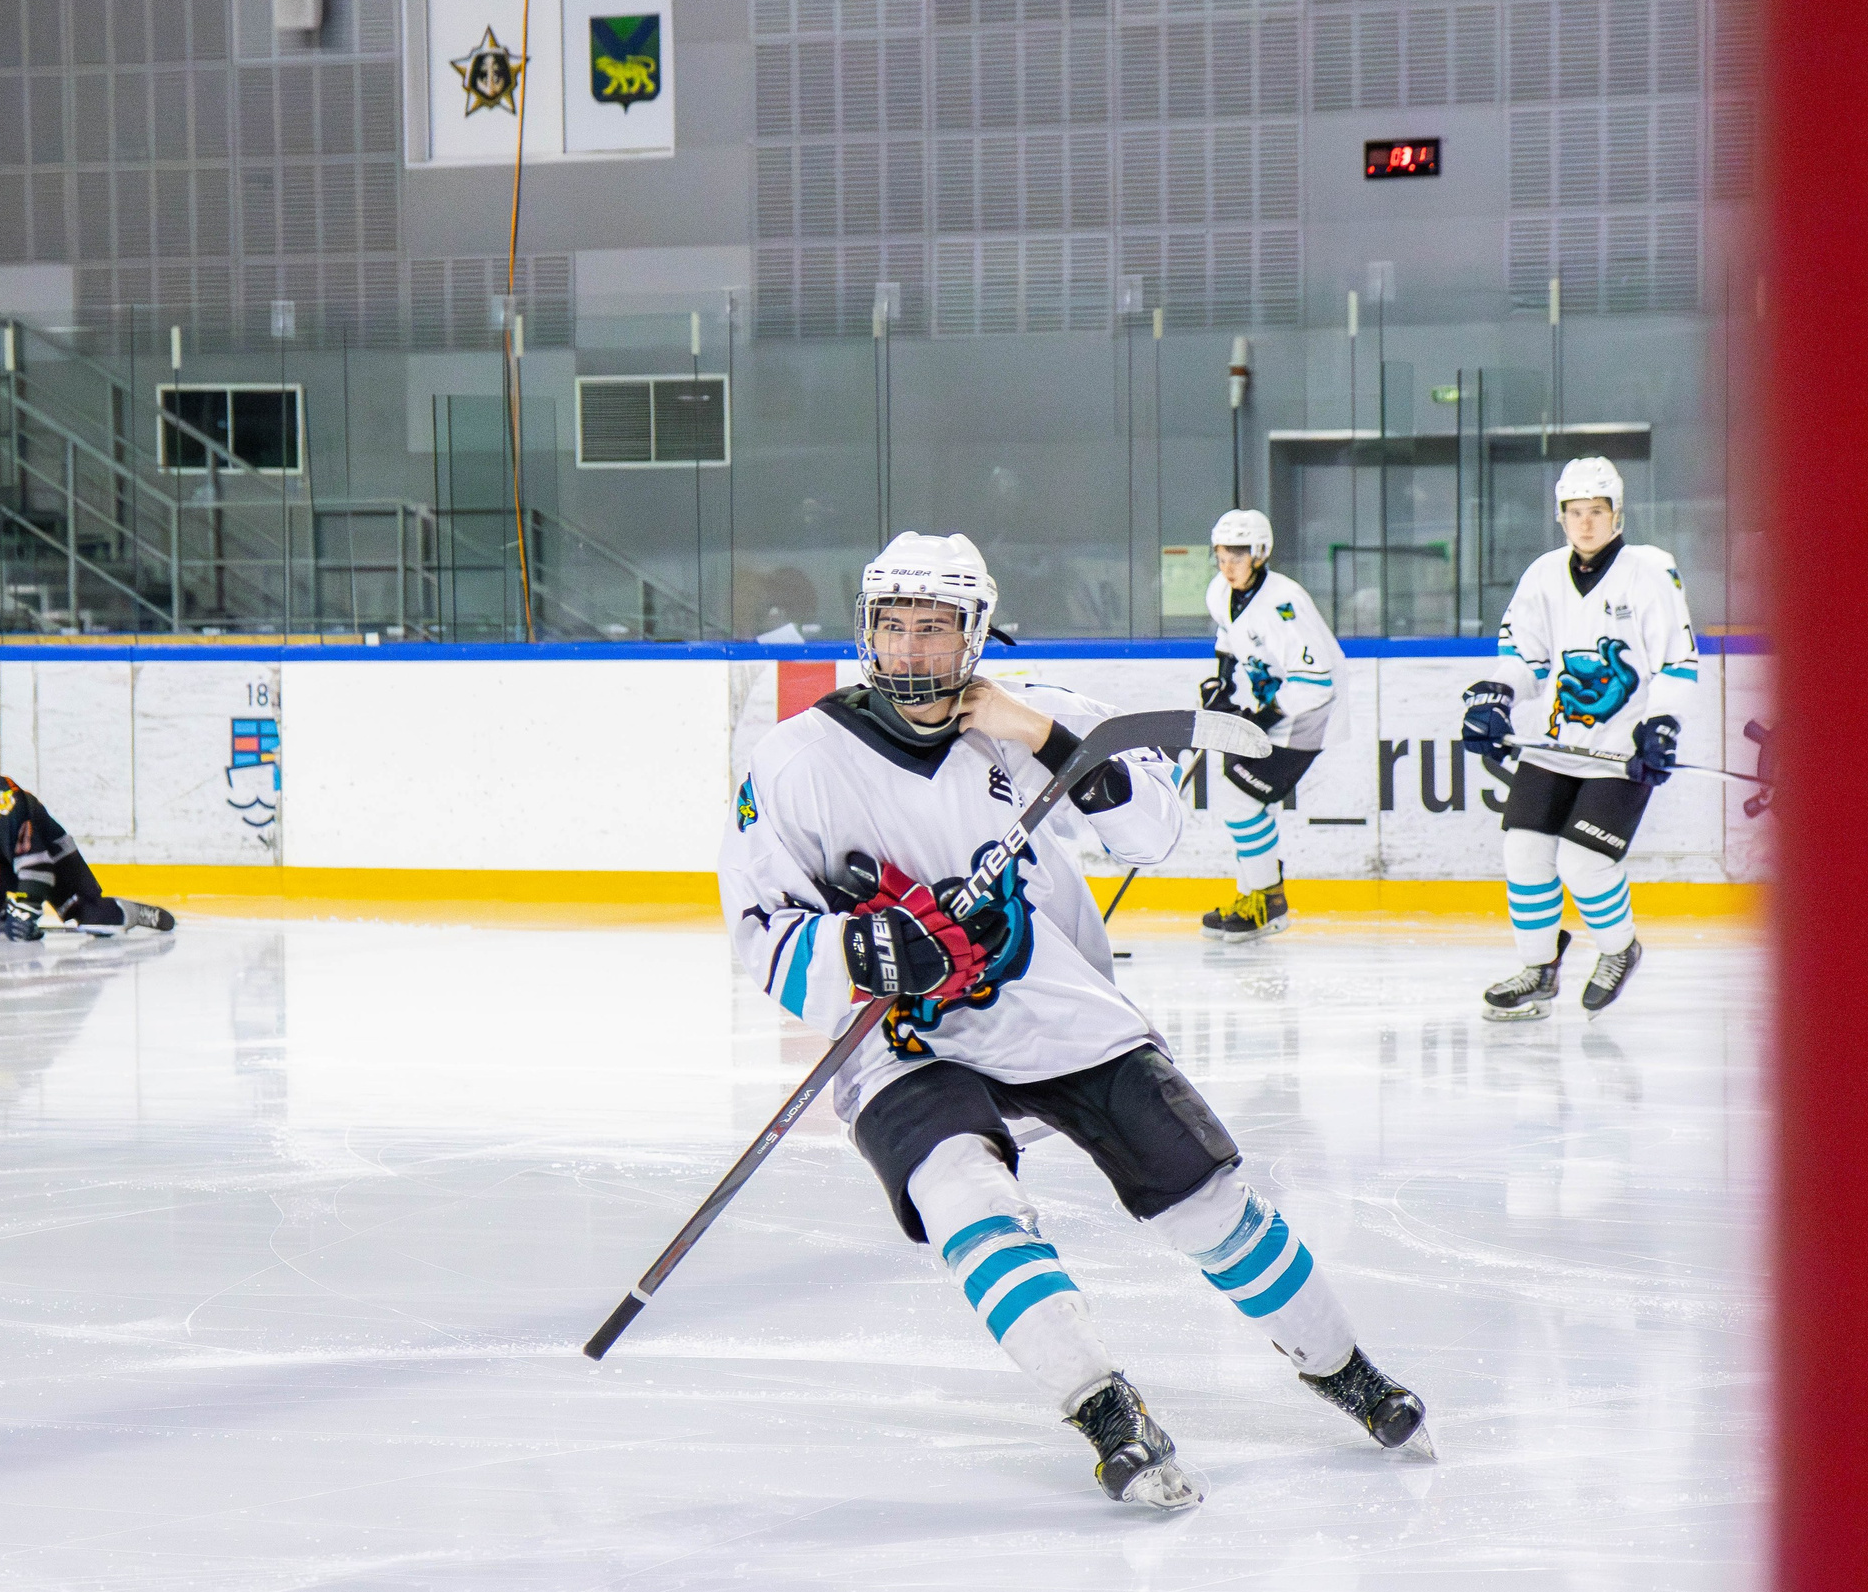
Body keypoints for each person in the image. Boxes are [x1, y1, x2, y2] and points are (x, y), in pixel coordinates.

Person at [721, 530, 1429, 1512]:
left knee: (1209, 1201)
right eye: (893, 626)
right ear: (866, 632)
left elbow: (1153, 831)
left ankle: (1342, 1367)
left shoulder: (1039, 715)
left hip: (1057, 1010)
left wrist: (1041, 738)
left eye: (936, 627)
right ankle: (1107, 1414)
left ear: (975, 632)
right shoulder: (796, 760)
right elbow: (760, 930)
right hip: (904, 1042)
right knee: (964, 1194)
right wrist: (863, 953)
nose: (913, 649)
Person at [1459, 456, 1697, 1018]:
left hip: (1619, 752)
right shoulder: (1543, 575)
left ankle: (1619, 949)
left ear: (1617, 515)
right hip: (1555, 745)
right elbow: (1527, 661)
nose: (1585, 522)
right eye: (1574, 512)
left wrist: (1660, 724)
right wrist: (1498, 696)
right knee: (1524, 853)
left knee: (1584, 864)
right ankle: (1539, 968)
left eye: (1597, 511)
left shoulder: (1649, 571)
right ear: (1560, 516)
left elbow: (1677, 662)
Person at [1196, 508, 1348, 941]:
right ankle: (1255, 897)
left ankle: (1268, 903)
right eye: (1222, 555)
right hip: (1277, 707)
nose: (1228, 565)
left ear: (1259, 554)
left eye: (1238, 555)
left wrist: (1261, 716)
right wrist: (1221, 683)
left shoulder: (1285, 604)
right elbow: (1228, 636)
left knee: (1240, 798)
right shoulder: (1219, 591)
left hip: (1312, 713)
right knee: (1238, 792)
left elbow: (1316, 682)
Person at [0, 740, 174, 939]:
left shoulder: (2, 800)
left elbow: (36, 863)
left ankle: (133, 913)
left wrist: (26, 907)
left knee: (95, 919)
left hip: (49, 857)